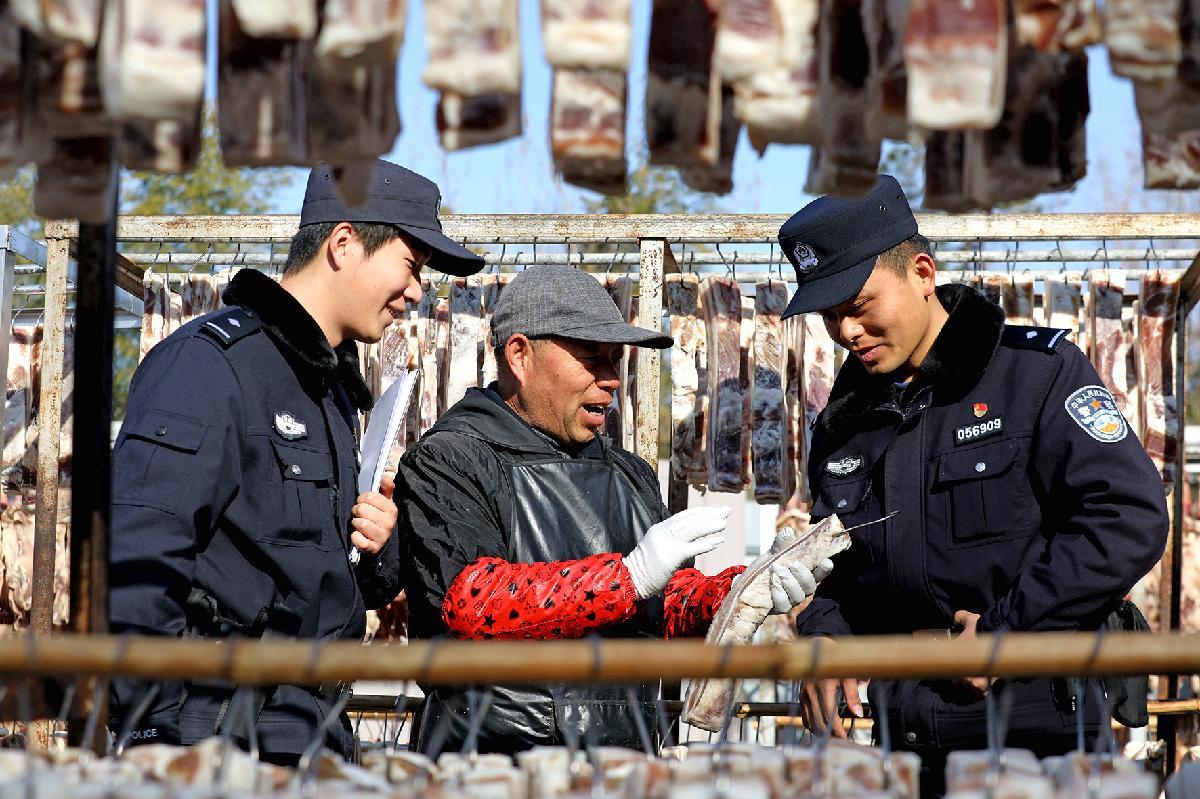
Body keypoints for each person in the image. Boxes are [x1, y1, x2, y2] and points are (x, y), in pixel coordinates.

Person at [780, 175, 1168, 795]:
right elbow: (834, 569)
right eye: (830, 316)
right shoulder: (842, 426)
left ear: (922, 274)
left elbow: (1127, 517)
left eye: (858, 305)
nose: (846, 332)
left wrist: (1004, 635)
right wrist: (823, 638)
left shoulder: (1033, 375)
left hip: (1035, 731)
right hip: (900, 741)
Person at [108, 160, 484, 764]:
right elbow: (138, 559)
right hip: (217, 731)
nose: (418, 291)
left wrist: (379, 546)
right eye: (411, 265)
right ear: (344, 243)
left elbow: (318, 577)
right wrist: (152, 737)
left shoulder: (330, 389)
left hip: (310, 728)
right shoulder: (211, 366)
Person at [398, 264, 833, 754]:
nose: (611, 380)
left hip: (624, 760)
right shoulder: (448, 460)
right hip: (490, 761)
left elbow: (666, 605)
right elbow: (471, 603)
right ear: (520, 355)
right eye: (592, 359)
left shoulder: (630, 472)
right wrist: (628, 577)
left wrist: (735, 592)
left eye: (615, 360)